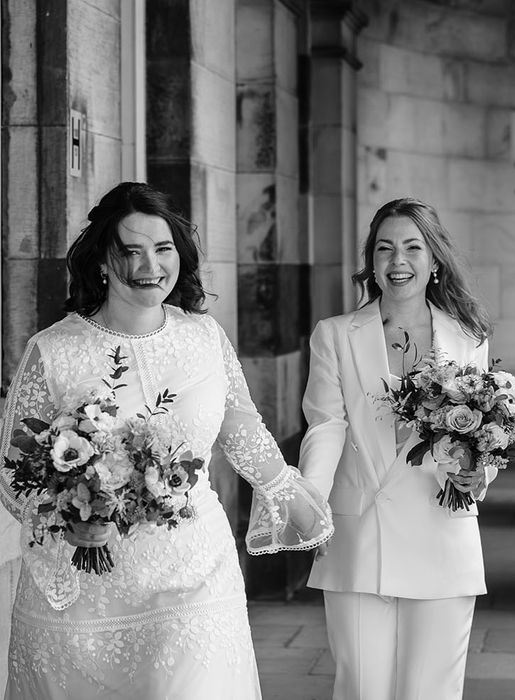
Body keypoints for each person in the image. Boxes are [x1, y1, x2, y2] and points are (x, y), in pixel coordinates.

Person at [0, 182, 333, 700]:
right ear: (103, 262)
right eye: (129, 251)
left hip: (196, 567)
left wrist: (297, 502)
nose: (148, 265)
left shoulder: (204, 336)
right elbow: (13, 466)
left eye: (162, 248)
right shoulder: (54, 350)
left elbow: (242, 428)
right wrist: (70, 520)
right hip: (91, 581)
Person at [299, 197, 494, 700]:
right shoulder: (335, 335)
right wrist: (312, 502)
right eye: (385, 249)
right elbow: (326, 426)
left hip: (440, 530)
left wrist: (480, 473)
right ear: (372, 261)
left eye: (412, 247)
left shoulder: (467, 336)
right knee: (362, 687)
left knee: (431, 689)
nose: (398, 261)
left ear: (434, 261)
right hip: (360, 531)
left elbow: (478, 432)